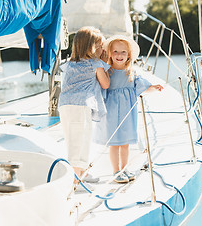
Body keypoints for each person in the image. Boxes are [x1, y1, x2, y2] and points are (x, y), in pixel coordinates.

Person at [93, 35, 163, 183]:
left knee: (125, 142)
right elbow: (99, 88)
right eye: (116, 52)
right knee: (115, 143)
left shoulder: (131, 72)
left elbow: (142, 87)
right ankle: (116, 170)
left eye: (123, 52)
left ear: (129, 55)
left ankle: (124, 168)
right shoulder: (108, 71)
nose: (119, 55)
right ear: (110, 53)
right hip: (111, 112)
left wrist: (153, 87)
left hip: (127, 113)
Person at [58, 26, 110, 186]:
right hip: (80, 107)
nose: (102, 49)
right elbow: (105, 84)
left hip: (65, 105)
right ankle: (75, 181)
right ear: (92, 47)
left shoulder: (71, 64)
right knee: (81, 142)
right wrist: (106, 62)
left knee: (73, 140)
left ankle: (82, 173)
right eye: (100, 46)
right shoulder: (96, 64)